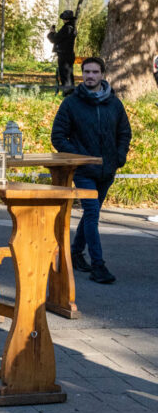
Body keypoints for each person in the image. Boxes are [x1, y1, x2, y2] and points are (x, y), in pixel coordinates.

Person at [50, 57, 131, 284]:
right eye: (86, 72)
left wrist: (119, 158)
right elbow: (58, 136)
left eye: (95, 72)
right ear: (82, 74)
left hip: (107, 170)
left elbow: (124, 133)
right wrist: (81, 158)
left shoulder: (114, 104)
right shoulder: (71, 104)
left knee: (90, 215)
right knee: (93, 213)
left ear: (103, 75)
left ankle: (75, 253)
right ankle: (98, 265)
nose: (90, 76)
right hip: (84, 171)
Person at [48, 10, 77, 91]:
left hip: (64, 55)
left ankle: (67, 92)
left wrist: (51, 33)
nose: (63, 20)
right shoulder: (72, 28)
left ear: (66, 19)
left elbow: (55, 39)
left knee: (65, 74)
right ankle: (69, 91)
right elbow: (61, 38)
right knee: (68, 74)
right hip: (69, 54)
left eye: (64, 18)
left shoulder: (67, 28)